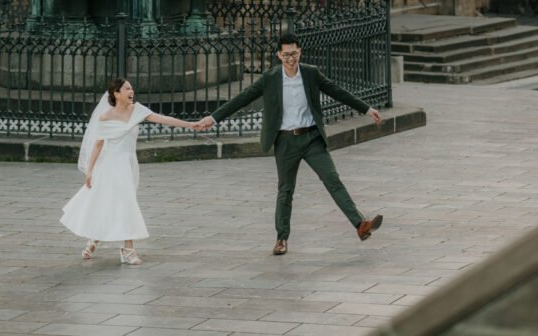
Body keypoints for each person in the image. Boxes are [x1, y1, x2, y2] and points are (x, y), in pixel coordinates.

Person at [198, 32, 383, 256]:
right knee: (286, 190)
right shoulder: (271, 78)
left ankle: (360, 224)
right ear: (279, 55)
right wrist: (213, 118)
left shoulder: (311, 74)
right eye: (286, 54)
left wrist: (366, 108)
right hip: (285, 140)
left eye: (294, 53)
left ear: (300, 52)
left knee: (332, 179)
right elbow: (242, 98)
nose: (291, 58)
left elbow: (336, 91)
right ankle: (281, 239)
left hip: (312, 137)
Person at [61, 77, 200, 264]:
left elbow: (163, 119)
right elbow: (98, 145)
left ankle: (95, 238)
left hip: (128, 164)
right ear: (116, 93)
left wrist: (191, 125)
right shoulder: (105, 117)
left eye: (132, 88)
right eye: (127, 88)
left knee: (113, 202)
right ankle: (127, 250)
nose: (131, 91)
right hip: (110, 165)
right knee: (125, 202)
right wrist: (90, 171)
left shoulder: (138, 110)